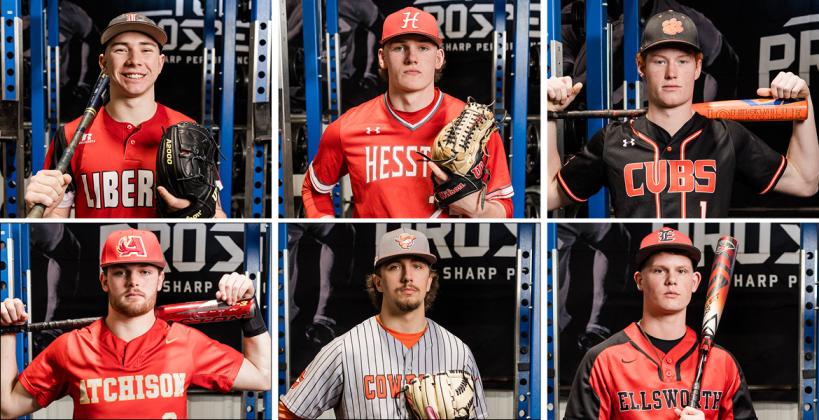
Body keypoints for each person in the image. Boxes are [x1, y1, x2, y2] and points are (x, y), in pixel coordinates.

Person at [547, 10, 818, 218]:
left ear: (698, 67)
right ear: (641, 66)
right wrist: (548, 114)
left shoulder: (726, 136)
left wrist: (803, 107)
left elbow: (805, 183)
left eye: (683, 61)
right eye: (660, 61)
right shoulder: (612, 140)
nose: (671, 73)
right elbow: (549, 196)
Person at [0, 228, 270, 418]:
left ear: (161, 279)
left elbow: (261, 377)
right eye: (121, 272)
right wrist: (6, 331)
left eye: (144, 271)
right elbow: (7, 407)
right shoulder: (71, 348)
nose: (133, 282)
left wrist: (249, 308)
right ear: (104, 280)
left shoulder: (187, 343)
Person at [302, 7, 513, 218]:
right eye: (399, 48)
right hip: (376, 248)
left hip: (446, 249)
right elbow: (314, 189)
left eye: (423, 48)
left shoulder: (474, 126)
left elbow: (505, 207)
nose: (412, 57)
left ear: (439, 58)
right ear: (382, 57)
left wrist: (476, 208)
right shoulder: (347, 127)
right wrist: (330, 228)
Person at [24, 12, 227, 218]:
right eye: (121, 50)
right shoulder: (70, 135)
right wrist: (42, 208)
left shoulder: (187, 130)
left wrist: (193, 211)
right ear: (103, 63)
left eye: (146, 50)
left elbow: (218, 217)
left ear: (161, 63)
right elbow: (55, 221)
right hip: (97, 251)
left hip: (167, 250)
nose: (134, 60)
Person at [279, 227, 488, 418]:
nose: (408, 276)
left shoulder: (458, 352)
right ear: (378, 282)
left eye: (417, 266)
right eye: (395, 267)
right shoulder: (344, 350)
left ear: (429, 281)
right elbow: (287, 414)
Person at [564, 227, 756, 419]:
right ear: (639, 280)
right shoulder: (603, 360)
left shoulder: (723, 363)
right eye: (659, 270)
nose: (671, 280)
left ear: (695, 281)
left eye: (681, 271)